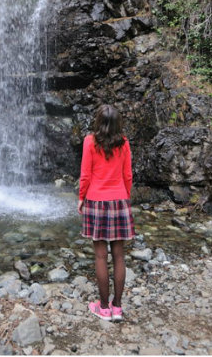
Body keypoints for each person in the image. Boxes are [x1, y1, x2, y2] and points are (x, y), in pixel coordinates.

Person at [78, 104, 135, 322]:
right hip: (119, 200)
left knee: (101, 256)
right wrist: (124, 198)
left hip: (96, 200)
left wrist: (81, 198)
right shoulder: (125, 143)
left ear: (98, 121)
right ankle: (117, 308)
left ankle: (103, 308)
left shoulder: (90, 141)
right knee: (119, 256)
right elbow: (127, 175)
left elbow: (85, 174)